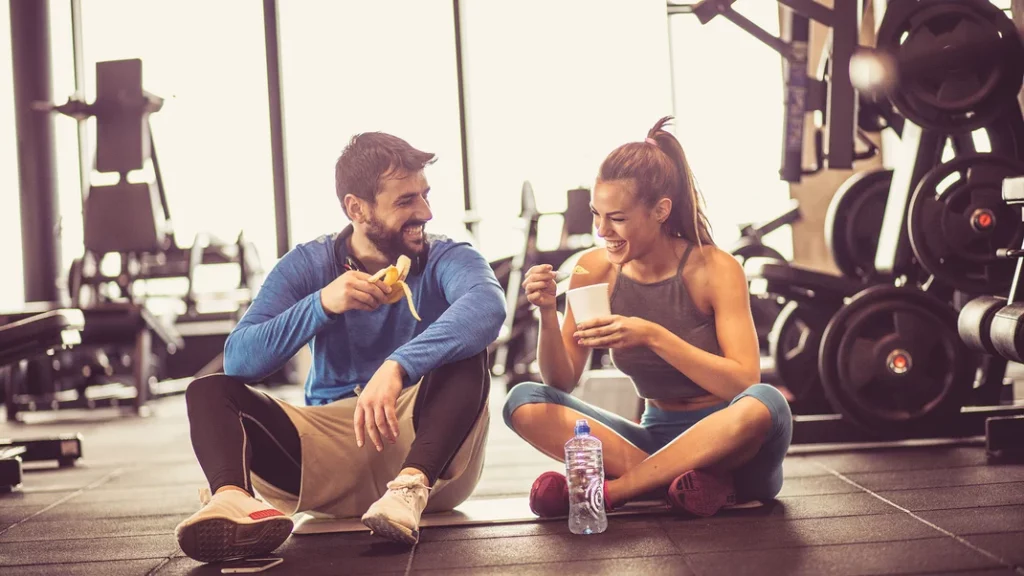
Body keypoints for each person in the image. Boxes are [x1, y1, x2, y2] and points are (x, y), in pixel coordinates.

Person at [174, 132, 506, 562]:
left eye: (424, 195)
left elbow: (488, 306)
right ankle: (235, 501)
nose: (425, 211)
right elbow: (239, 358)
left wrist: (397, 366)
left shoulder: (446, 256)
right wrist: (322, 304)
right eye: (406, 201)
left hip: (427, 456)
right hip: (328, 454)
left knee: (466, 348)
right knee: (208, 390)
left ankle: (408, 489)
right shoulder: (310, 264)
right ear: (356, 208)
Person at [503, 116, 792, 519]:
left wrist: (654, 336)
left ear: (660, 211)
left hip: (734, 446)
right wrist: (548, 314)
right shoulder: (593, 268)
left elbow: (744, 382)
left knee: (766, 402)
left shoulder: (714, 268)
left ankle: (617, 491)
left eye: (617, 218)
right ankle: (675, 484)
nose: (603, 231)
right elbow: (561, 380)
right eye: (596, 215)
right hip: (654, 439)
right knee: (523, 400)